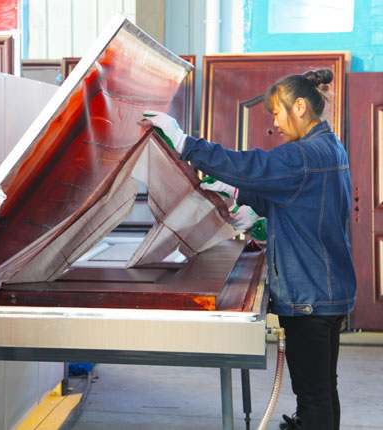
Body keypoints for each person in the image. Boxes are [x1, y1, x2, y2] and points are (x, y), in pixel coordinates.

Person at [141, 69, 357, 430]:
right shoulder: (328, 147)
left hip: (309, 294)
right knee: (321, 391)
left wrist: (185, 143)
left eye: (277, 112)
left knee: (314, 397)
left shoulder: (303, 155)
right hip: (326, 290)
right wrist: (240, 196)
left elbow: (252, 166)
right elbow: (295, 199)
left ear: (299, 107)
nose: (275, 123)